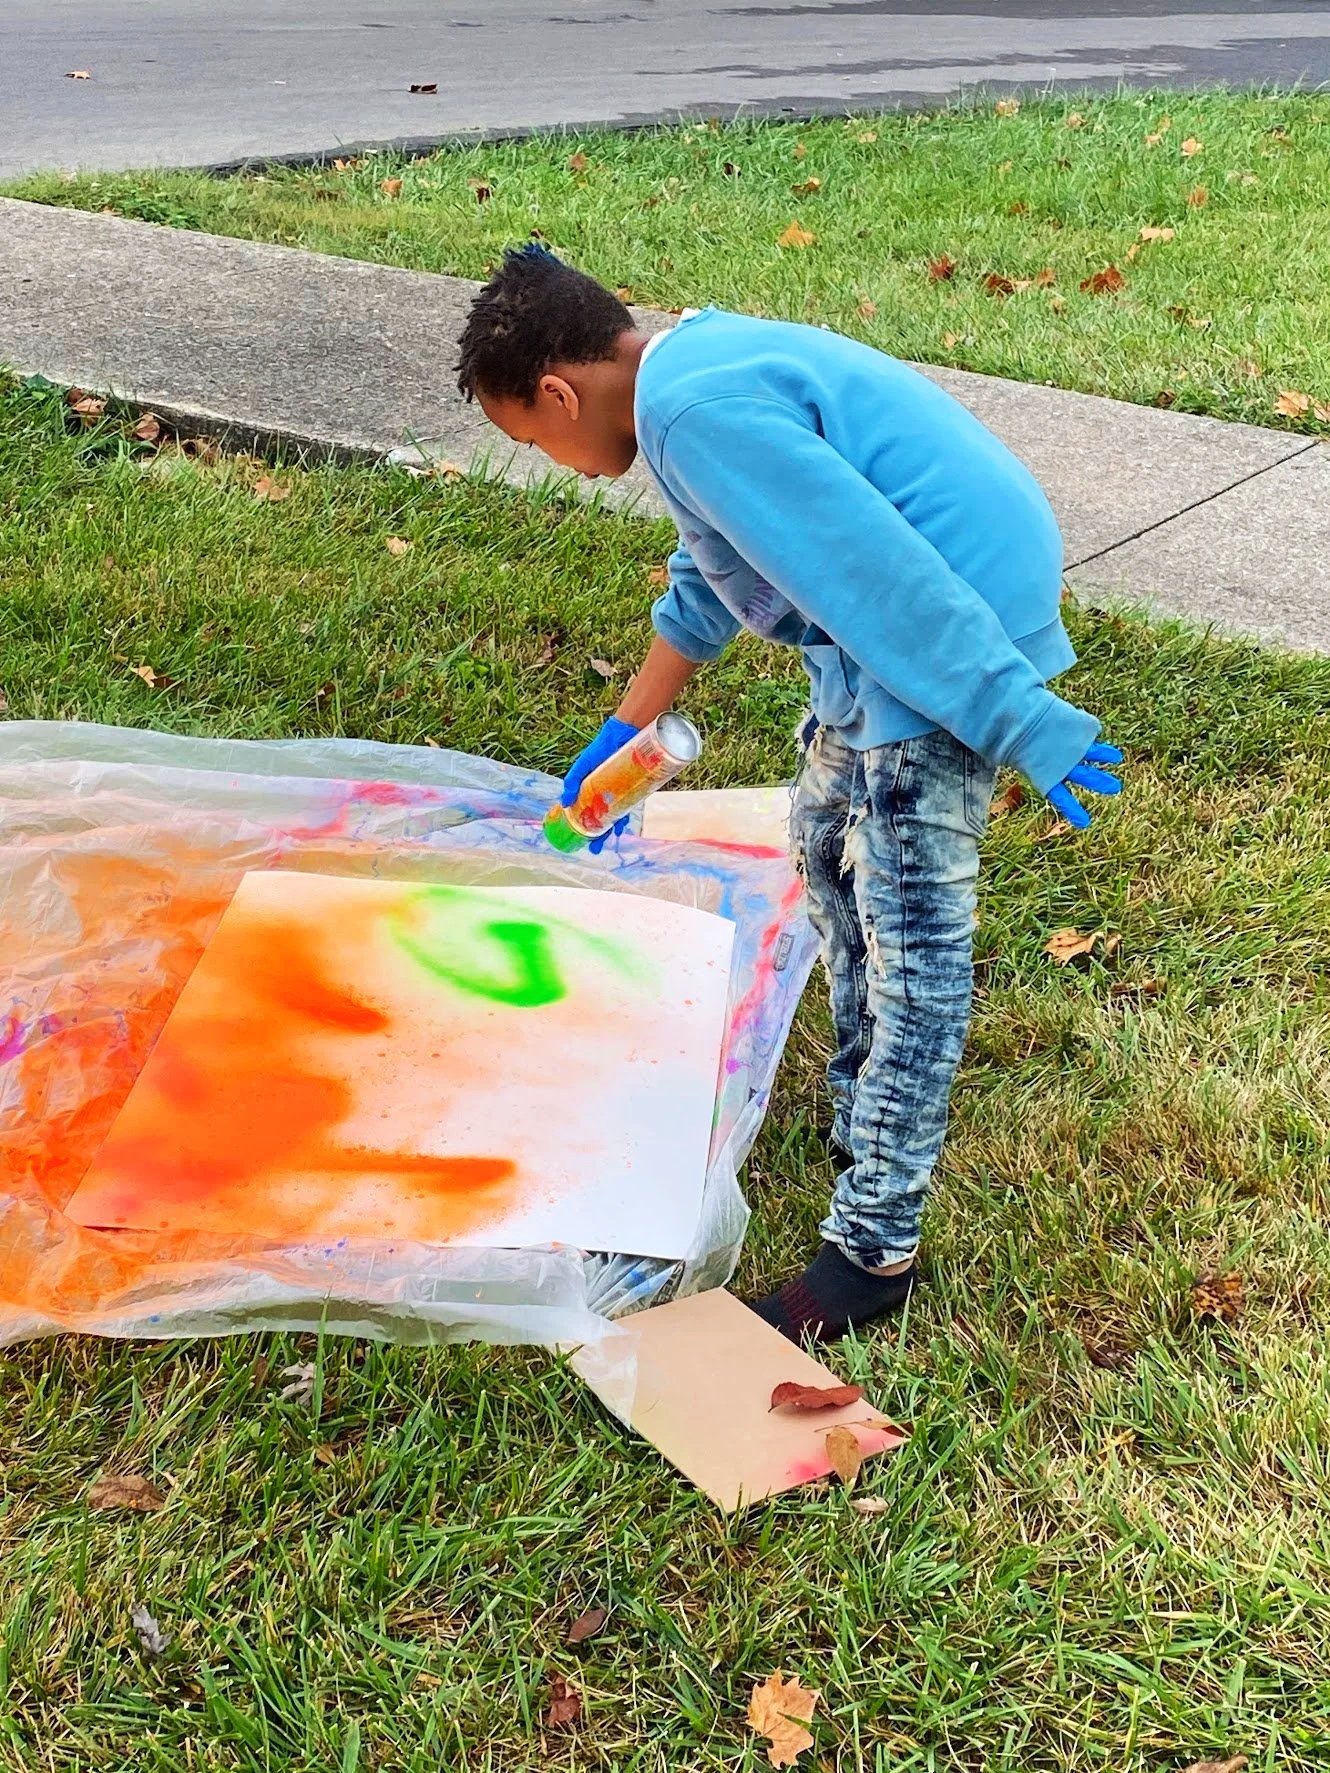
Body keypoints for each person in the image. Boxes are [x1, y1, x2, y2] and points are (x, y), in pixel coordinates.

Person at [456, 245, 1122, 1343]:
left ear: (561, 393)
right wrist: (624, 729)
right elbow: (711, 576)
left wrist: (1014, 716)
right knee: (822, 845)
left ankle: (871, 1251)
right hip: (887, 645)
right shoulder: (685, 383)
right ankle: (861, 1098)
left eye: (536, 441)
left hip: (942, 646)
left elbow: (880, 580)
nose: (561, 464)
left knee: (915, 949)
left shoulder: (694, 416)